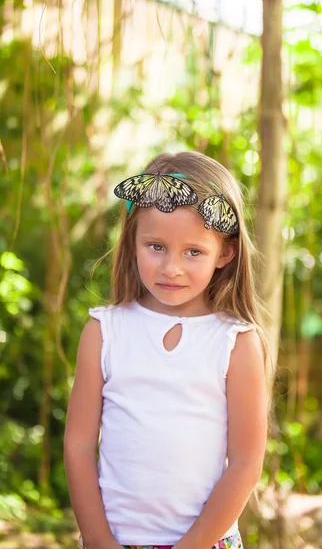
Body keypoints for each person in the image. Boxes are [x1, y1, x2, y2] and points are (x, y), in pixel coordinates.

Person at [64, 151, 271, 549]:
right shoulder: (104, 331)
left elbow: (246, 463)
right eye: (156, 246)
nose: (171, 268)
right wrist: (97, 540)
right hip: (115, 540)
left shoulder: (235, 342)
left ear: (225, 253)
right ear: (132, 241)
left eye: (193, 252)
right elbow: (78, 443)